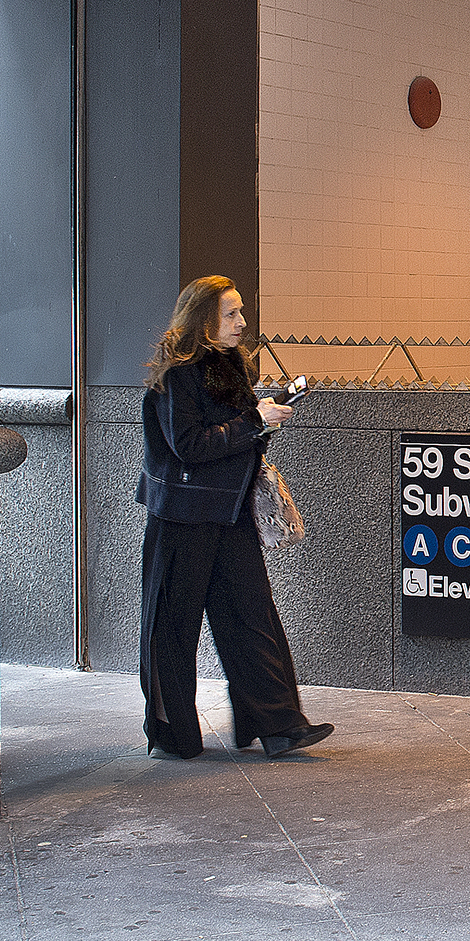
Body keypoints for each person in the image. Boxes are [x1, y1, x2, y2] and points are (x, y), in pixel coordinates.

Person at [136, 275, 334, 760]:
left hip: (229, 513)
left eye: (241, 312)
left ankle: (280, 725)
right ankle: (172, 730)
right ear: (203, 320)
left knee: (252, 616)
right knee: (173, 625)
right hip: (184, 520)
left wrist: (267, 417)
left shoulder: (232, 366)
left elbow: (238, 440)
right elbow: (189, 445)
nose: (242, 322)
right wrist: (253, 421)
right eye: (230, 314)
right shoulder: (177, 374)